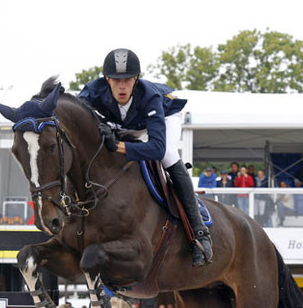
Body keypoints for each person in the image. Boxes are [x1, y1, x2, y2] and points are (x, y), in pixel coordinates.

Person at [78, 48, 211, 267]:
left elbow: (157, 148)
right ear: (107, 79)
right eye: (117, 80)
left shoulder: (149, 95)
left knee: (168, 155)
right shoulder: (91, 91)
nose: (122, 87)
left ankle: (200, 233)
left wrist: (120, 146)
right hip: (125, 122)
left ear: (136, 79)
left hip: (164, 116)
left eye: (128, 80)